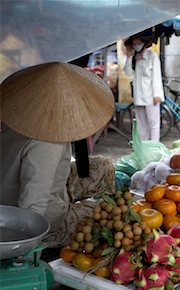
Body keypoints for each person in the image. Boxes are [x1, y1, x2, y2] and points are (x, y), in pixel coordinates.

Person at [0, 62, 115, 247]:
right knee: (107, 213)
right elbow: (32, 204)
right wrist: (26, 249)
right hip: (32, 215)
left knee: (103, 165)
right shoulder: (47, 142)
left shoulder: (18, 120)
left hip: (29, 187)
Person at [124, 34, 164, 141]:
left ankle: (154, 148)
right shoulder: (134, 58)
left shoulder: (152, 56)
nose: (137, 46)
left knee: (153, 124)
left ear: (144, 43)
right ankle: (144, 148)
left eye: (138, 43)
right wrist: (128, 57)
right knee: (141, 126)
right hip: (139, 96)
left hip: (151, 97)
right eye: (134, 44)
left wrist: (157, 95)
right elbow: (128, 72)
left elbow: (156, 76)